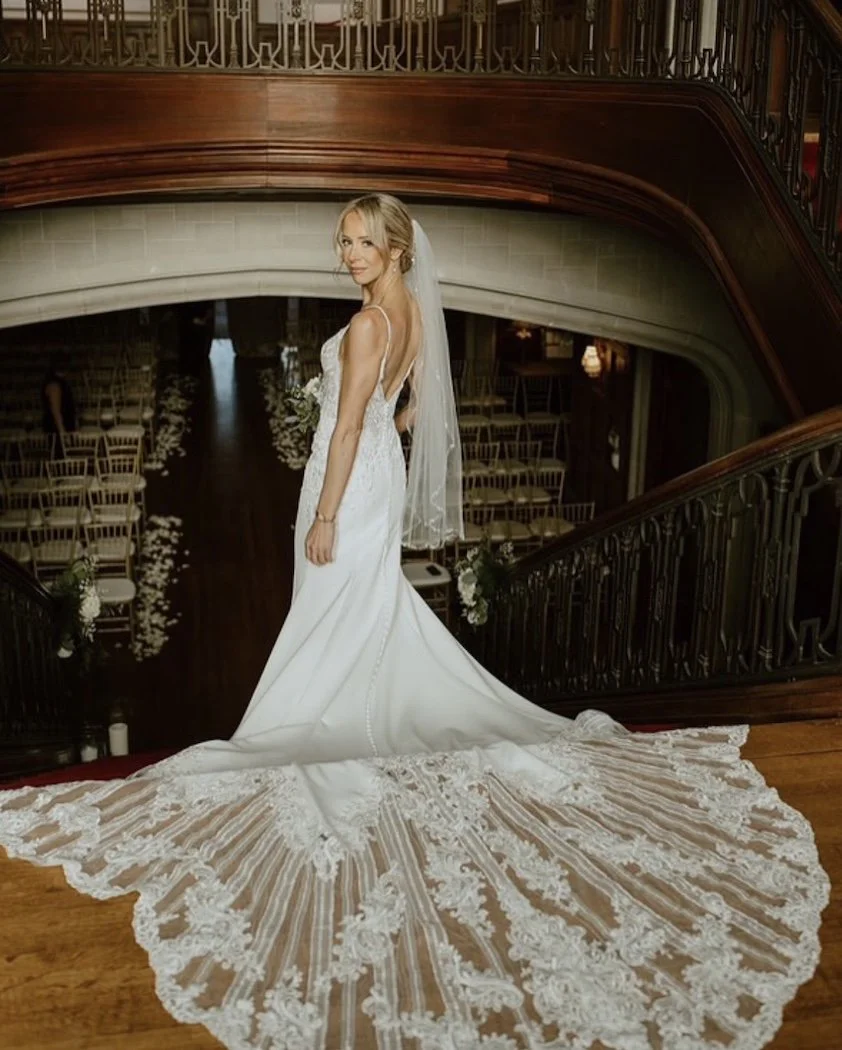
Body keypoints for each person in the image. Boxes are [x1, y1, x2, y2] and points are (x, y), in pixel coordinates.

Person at [0, 196, 830, 1050]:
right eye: (343, 242)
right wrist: (370, 464)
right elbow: (410, 411)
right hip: (375, 482)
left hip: (345, 484)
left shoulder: (367, 326)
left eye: (362, 242)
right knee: (368, 606)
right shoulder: (414, 315)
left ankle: (306, 717)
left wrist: (323, 512)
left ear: (396, 248)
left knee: (331, 606)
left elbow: (353, 422)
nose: (348, 255)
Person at [41, 351, 77, 441]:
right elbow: (55, 410)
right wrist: (62, 432)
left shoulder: (61, 382)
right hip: (57, 430)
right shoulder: (54, 384)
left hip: (64, 426)